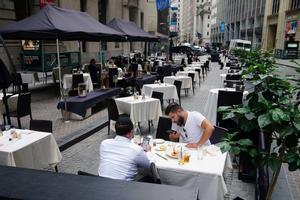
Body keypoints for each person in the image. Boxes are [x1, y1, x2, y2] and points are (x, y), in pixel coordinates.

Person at [98, 117, 153, 181]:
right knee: (150, 178)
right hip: (122, 187)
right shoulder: (136, 150)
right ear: (131, 132)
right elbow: (149, 166)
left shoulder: (104, 143)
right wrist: (149, 151)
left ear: (116, 130)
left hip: (101, 183)